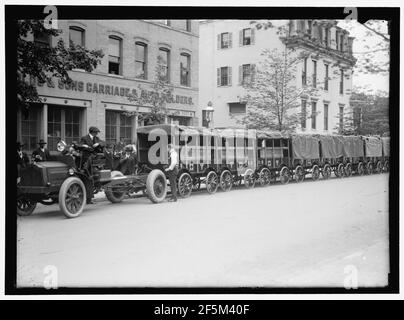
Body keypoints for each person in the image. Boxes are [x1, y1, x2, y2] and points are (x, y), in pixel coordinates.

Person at [79, 127, 105, 205]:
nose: (97, 134)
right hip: (86, 159)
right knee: (89, 178)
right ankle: (88, 199)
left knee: (93, 177)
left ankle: (89, 198)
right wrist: (84, 146)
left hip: (94, 159)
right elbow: (79, 145)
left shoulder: (96, 138)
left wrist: (98, 143)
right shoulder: (84, 138)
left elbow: (104, 143)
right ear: (92, 132)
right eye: (96, 132)